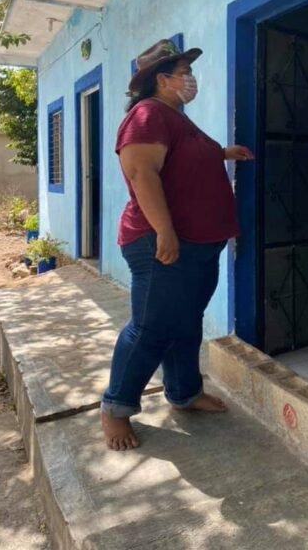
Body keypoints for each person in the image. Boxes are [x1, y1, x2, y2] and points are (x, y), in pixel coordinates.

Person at [100, 39, 254, 451]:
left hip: (200, 242)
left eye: (189, 70)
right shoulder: (147, 114)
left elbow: (183, 160)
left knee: (185, 322)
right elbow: (142, 172)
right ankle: (115, 408)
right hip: (163, 241)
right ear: (160, 79)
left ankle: (184, 393)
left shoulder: (174, 118)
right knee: (151, 328)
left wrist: (223, 153)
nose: (189, 78)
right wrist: (164, 231)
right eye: (182, 72)